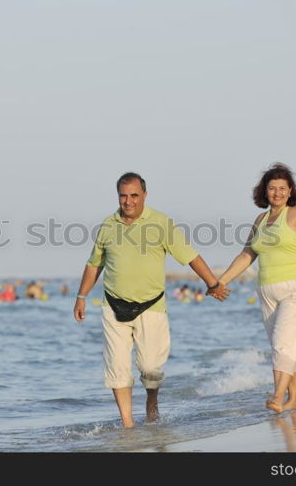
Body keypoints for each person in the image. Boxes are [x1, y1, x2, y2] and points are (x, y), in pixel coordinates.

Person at [73, 172, 227, 428]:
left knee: (150, 367)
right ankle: (128, 424)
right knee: (117, 368)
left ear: (144, 195)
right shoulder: (107, 226)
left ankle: (151, 402)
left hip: (151, 306)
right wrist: (81, 296)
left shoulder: (161, 224)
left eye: (134, 195)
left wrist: (212, 283)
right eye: (123, 196)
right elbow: (93, 265)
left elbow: (190, 256)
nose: (128, 201)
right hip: (113, 306)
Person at [210, 162, 296, 414]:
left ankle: (278, 397)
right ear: (265, 191)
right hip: (267, 291)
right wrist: (222, 281)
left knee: (283, 343)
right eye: (272, 188)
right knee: (286, 345)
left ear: (291, 190)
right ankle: (294, 398)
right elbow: (247, 254)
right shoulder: (260, 219)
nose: (278, 193)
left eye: (283, 188)